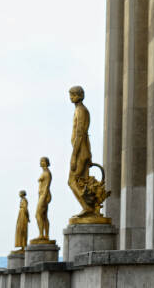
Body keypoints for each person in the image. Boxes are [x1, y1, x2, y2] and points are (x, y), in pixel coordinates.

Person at [68, 86, 92, 216]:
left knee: (72, 181)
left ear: (80, 95)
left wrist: (74, 156)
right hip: (83, 150)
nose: (71, 97)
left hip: (80, 152)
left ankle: (87, 207)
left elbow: (80, 133)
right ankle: (89, 208)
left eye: (73, 94)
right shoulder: (80, 110)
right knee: (81, 182)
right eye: (71, 94)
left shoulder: (81, 110)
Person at [34, 157, 52, 242]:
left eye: (43, 161)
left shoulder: (47, 173)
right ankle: (45, 235)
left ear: (47, 162)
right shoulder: (44, 172)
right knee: (44, 216)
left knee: (38, 214)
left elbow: (47, 186)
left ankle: (42, 234)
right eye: (40, 161)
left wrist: (44, 197)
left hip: (44, 195)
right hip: (41, 195)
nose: (41, 162)